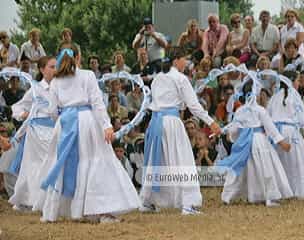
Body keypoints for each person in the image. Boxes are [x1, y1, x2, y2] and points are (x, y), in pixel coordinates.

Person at [35, 44, 140, 223]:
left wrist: (62, 121)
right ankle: (100, 210)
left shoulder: (55, 81)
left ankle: (56, 211)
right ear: (78, 57)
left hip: (65, 123)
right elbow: (97, 103)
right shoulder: (88, 75)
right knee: (95, 162)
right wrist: (106, 125)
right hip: (86, 122)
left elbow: (52, 110)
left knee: (63, 162)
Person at [140, 47, 221, 215]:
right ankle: (188, 204)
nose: (187, 63)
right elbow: (193, 105)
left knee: (158, 162)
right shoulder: (180, 78)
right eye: (185, 60)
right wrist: (211, 122)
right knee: (183, 161)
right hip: (170, 122)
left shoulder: (157, 78)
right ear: (177, 60)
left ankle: (149, 201)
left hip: (155, 122)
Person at [216, 80, 293, 207]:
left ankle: (228, 196)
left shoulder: (240, 110)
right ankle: (269, 196)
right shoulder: (260, 110)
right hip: (259, 140)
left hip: (244, 141)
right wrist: (281, 142)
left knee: (239, 169)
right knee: (264, 168)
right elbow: (271, 128)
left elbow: (234, 128)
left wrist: (233, 137)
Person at [8, 56, 58, 211]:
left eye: (56, 66)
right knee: (33, 166)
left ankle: (48, 200)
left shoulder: (61, 87)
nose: (54, 69)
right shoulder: (35, 88)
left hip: (55, 131)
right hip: (36, 133)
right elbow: (17, 107)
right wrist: (23, 114)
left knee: (52, 165)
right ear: (42, 70)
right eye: (51, 66)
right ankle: (30, 200)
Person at [267, 73, 304, 198]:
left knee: (280, 161)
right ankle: (297, 189)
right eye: (297, 80)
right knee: (297, 161)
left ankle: (281, 189)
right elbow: (301, 114)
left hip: (276, 133)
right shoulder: (294, 95)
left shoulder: (275, 96)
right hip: (289, 132)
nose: (299, 83)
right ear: (291, 81)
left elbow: (268, 115)